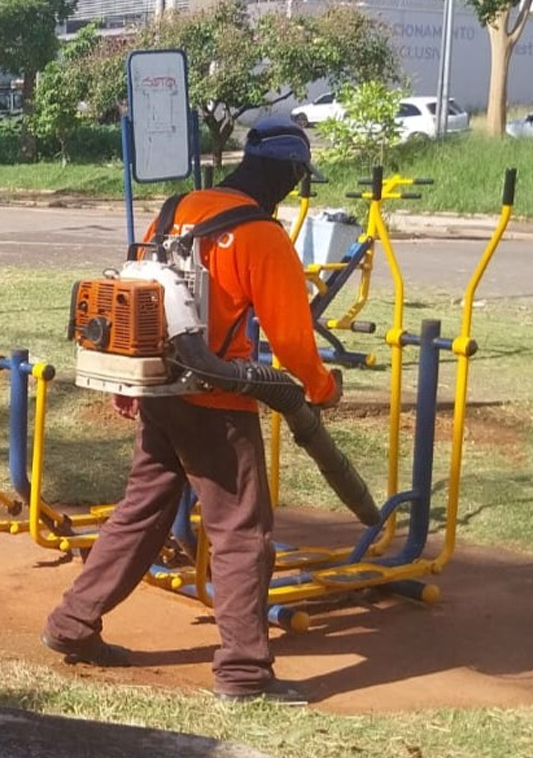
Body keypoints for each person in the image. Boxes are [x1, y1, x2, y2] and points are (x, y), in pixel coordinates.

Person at [42, 116, 341, 705]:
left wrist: (132, 383)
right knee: (241, 532)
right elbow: (291, 341)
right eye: (298, 179)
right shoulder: (261, 235)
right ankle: (244, 673)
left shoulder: (177, 209)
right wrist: (321, 388)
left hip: (163, 392)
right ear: (288, 174)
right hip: (218, 401)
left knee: (142, 512)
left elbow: (141, 295)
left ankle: (72, 624)